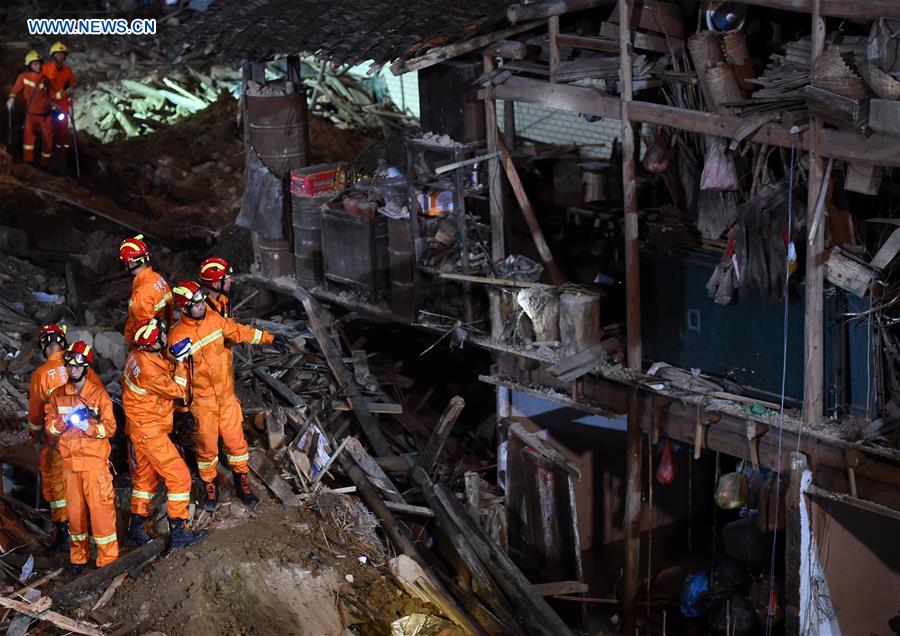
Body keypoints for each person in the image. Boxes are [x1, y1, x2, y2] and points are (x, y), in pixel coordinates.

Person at [169, 281, 288, 511]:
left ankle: (242, 485)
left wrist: (270, 338)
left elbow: (240, 331)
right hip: (202, 404)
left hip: (226, 398)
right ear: (183, 308)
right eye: (196, 305)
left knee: (237, 445)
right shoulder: (177, 337)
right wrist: (182, 410)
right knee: (207, 450)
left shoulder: (214, 319)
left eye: (202, 301)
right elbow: (179, 377)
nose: (202, 306)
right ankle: (211, 487)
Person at [122, 318, 206, 548]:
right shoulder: (148, 371)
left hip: (139, 428)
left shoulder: (138, 355)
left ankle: (135, 528)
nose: (164, 336)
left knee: (145, 480)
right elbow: (177, 390)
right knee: (180, 477)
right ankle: (178, 530)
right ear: (153, 344)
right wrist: (180, 362)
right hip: (150, 431)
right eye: (161, 335)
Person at [44, 342, 118, 574]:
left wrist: (90, 427)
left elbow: (111, 428)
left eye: (77, 366)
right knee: (75, 516)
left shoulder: (98, 395)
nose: (73, 369)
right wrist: (64, 421)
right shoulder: (58, 396)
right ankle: (78, 559)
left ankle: (108, 561)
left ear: (86, 367)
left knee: (101, 513)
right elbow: (50, 429)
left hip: (94, 464)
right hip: (69, 465)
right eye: (69, 365)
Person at [26, 324, 71, 552]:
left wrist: (34, 437)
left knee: (56, 482)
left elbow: (36, 413)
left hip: (57, 438)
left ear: (44, 347)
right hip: (86, 436)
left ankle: (63, 532)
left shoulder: (41, 374)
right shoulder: (78, 364)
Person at [118, 234, 173, 346]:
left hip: (145, 344)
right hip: (164, 332)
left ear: (132, 263)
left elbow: (144, 331)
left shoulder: (142, 293)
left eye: (125, 262)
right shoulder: (156, 277)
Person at [6, 50, 54, 167]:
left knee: (48, 139)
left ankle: (45, 164)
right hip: (31, 114)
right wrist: (11, 99)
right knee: (28, 138)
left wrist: (59, 101)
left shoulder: (45, 78)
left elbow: (51, 94)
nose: (38, 66)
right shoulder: (23, 77)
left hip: (46, 115)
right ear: (29, 65)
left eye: (39, 63)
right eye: (35, 64)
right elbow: (15, 90)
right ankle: (28, 162)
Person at [42, 42, 75, 161]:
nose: (60, 56)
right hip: (48, 104)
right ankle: (46, 158)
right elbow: (41, 89)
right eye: (58, 54)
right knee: (48, 131)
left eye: (62, 54)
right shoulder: (45, 69)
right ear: (53, 55)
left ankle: (62, 157)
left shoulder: (68, 71)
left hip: (63, 106)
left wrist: (70, 105)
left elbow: (70, 90)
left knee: (63, 132)